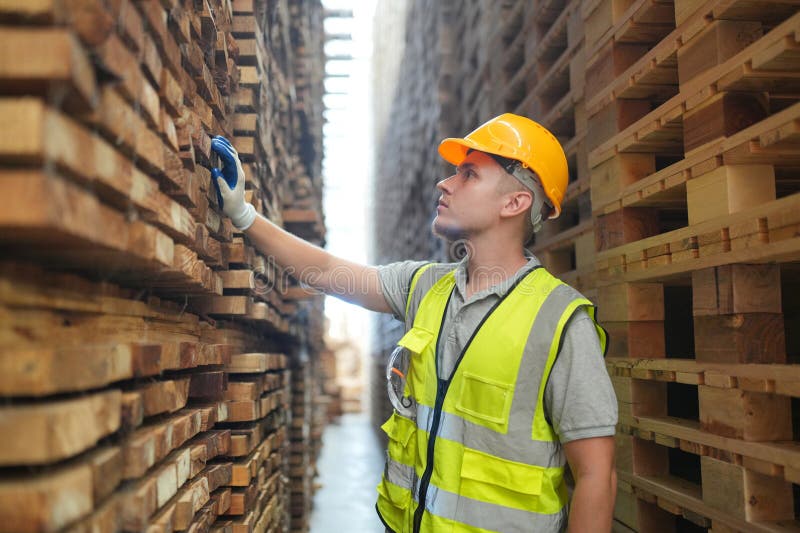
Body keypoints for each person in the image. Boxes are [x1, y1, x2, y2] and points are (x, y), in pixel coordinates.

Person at [210, 114, 618, 533]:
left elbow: (595, 475)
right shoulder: (424, 286)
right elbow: (329, 272)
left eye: (469, 174)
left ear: (514, 203)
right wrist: (244, 215)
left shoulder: (561, 321)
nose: (445, 183)